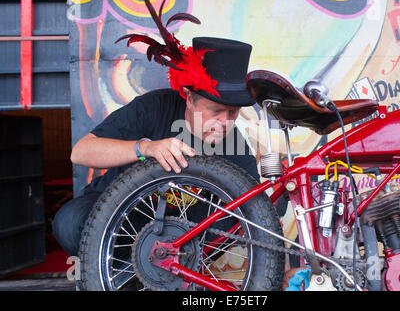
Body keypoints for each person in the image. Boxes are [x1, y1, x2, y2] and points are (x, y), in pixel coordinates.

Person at [52, 36, 261, 257]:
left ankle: (175, 275)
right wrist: (146, 148)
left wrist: (280, 271)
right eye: (216, 111)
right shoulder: (156, 106)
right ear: (189, 98)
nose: (224, 122)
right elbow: (81, 152)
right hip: (124, 214)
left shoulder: (232, 140)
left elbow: (259, 211)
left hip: (181, 238)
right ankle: (123, 276)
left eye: (233, 113)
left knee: (237, 215)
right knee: (70, 222)